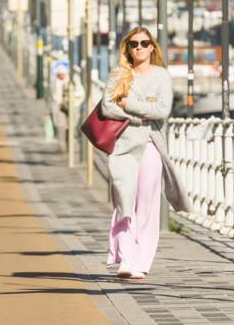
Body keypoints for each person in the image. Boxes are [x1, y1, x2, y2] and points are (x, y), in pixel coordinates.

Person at [100, 26, 189, 279]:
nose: (139, 47)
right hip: (123, 146)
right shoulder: (119, 74)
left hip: (151, 144)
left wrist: (127, 104)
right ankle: (126, 258)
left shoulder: (161, 76)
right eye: (134, 43)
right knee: (124, 199)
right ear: (127, 47)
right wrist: (143, 110)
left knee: (147, 204)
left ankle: (141, 261)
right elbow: (107, 108)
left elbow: (162, 110)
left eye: (144, 43)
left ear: (152, 47)